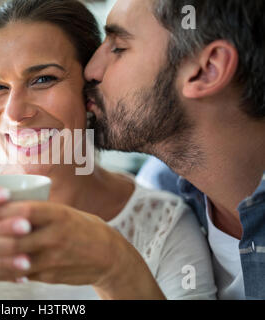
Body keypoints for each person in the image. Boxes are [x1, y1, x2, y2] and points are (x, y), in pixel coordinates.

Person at [0, 0, 216, 300]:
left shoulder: (165, 226)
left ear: (90, 88)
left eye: (43, 79)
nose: (15, 113)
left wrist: (117, 267)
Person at [84, 0, 265, 299]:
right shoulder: (161, 189)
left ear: (207, 70)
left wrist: (119, 272)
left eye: (118, 47)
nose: (91, 70)